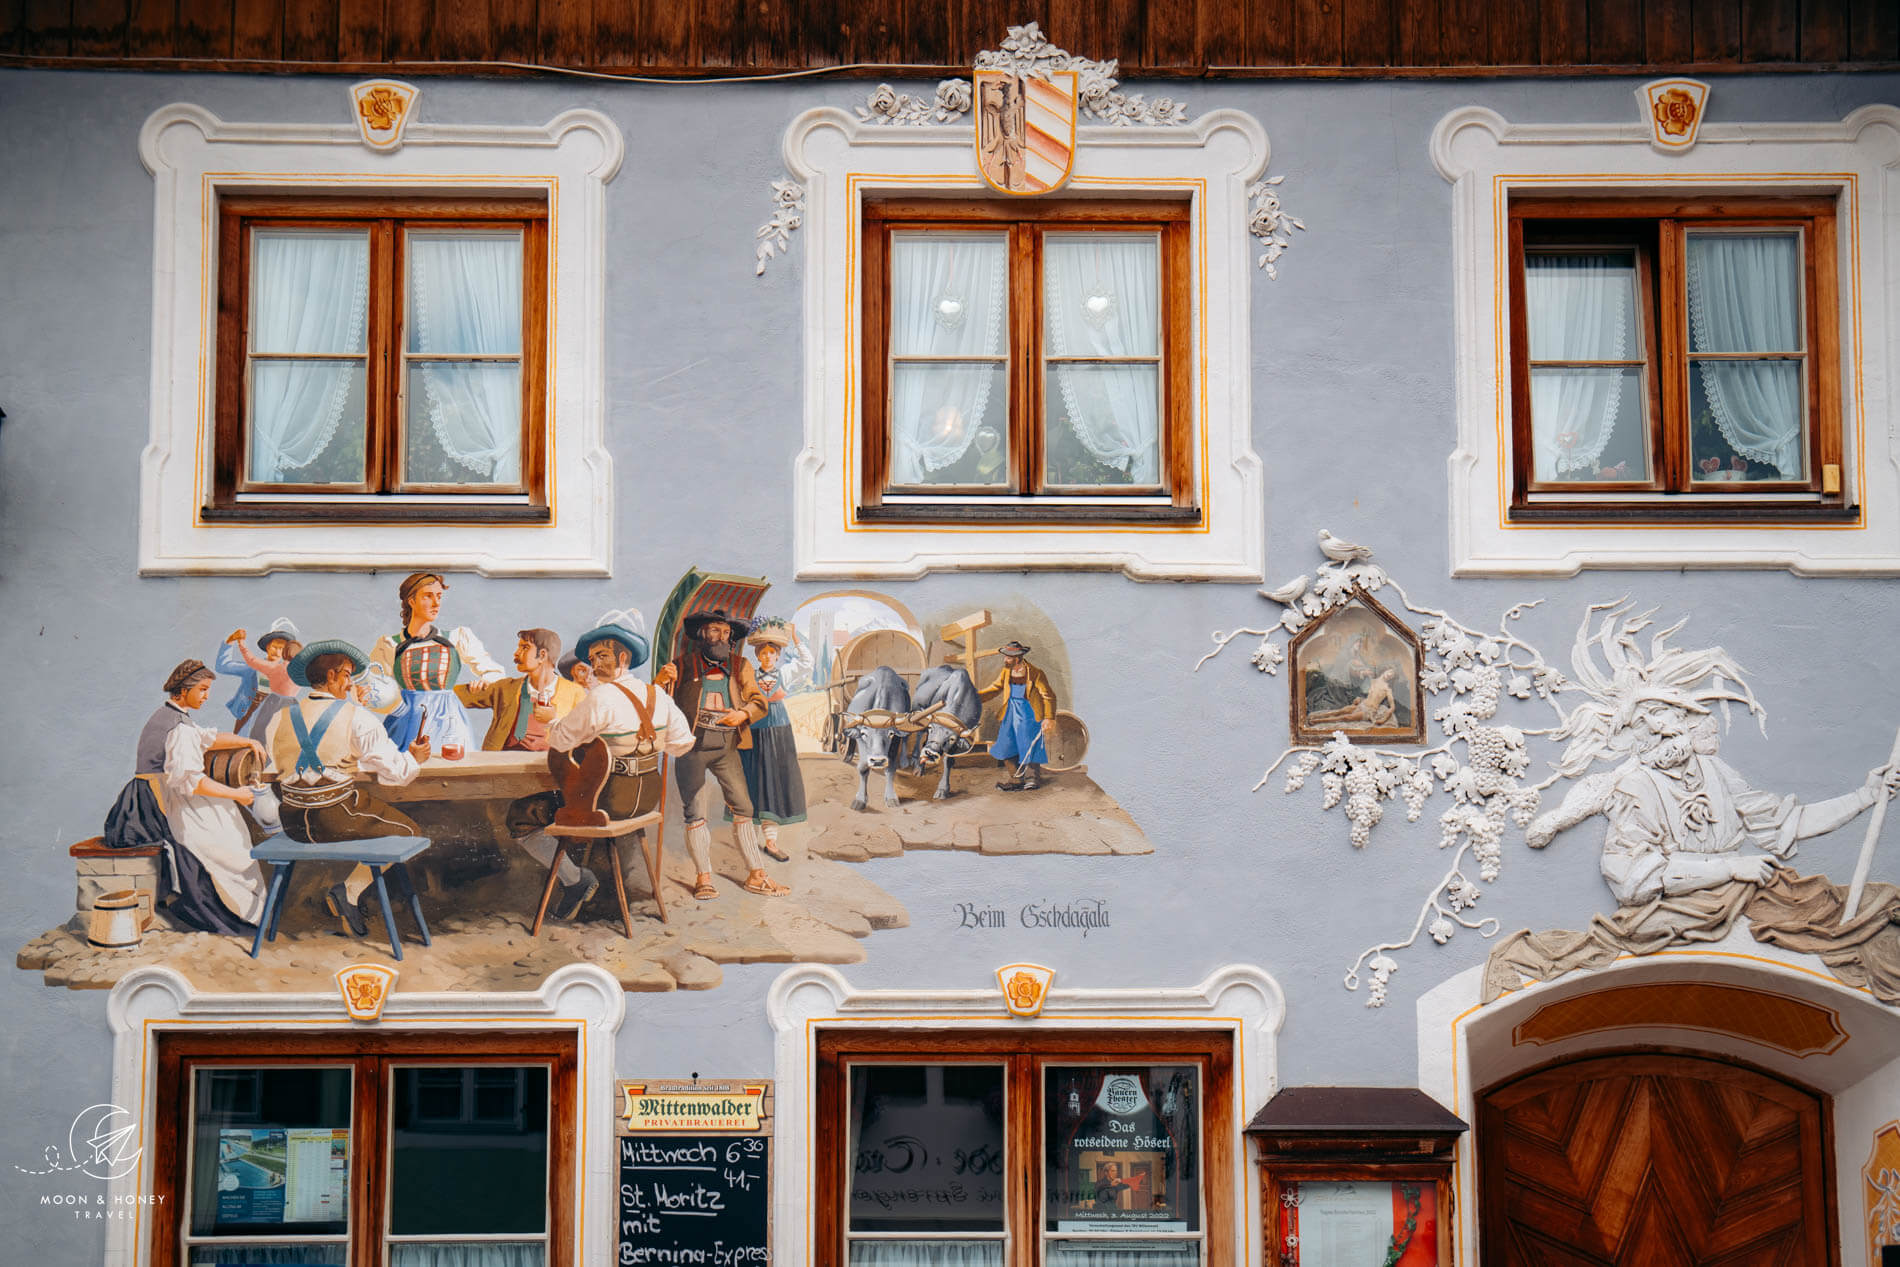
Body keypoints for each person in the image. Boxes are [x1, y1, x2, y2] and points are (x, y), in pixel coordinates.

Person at [507, 621, 694, 919]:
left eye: (602, 656)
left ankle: (576, 881)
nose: (594, 664)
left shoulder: (602, 697)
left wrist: (553, 719)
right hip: (646, 803)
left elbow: (558, 739)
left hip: (608, 805)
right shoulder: (660, 697)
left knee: (520, 814)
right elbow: (682, 745)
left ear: (623, 658)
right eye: (592, 658)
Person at [265, 640, 432, 936]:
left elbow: (280, 768)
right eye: (347, 675)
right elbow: (397, 773)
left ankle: (347, 895)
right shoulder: (358, 718)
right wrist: (413, 757)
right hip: (335, 819)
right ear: (332, 676)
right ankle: (349, 892)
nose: (351, 683)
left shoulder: (278, 719)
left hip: (292, 824)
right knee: (410, 831)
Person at [105, 660, 272, 935]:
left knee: (223, 815)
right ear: (183, 691)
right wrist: (237, 795)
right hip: (153, 805)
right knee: (224, 833)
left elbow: (206, 739)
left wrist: (246, 741)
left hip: (145, 795)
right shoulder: (178, 728)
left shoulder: (169, 716)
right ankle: (229, 914)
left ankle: (240, 908)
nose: (206, 696)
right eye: (203, 690)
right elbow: (190, 781)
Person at [654, 609, 791, 898]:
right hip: (691, 748)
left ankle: (756, 874)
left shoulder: (741, 665)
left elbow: (758, 701)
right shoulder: (681, 666)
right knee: (695, 812)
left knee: (744, 807)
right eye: (715, 631)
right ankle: (703, 877)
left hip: (728, 746)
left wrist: (742, 715)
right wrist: (659, 682)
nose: (722, 637)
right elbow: (657, 706)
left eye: (726, 633)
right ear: (702, 634)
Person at [369, 572, 505, 759]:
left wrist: (484, 681)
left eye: (439, 596)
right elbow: (376, 689)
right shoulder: (389, 645)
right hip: (406, 721)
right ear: (411, 600)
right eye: (428, 596)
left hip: (448, 721)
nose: (436, 603)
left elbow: (496, 672)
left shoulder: (457, 638)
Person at [733, 620, 807, 862]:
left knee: (774, 784)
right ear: (757, 656)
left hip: (777, 733)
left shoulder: (784, 673)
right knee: (754, 782)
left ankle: (772, 842)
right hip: (754, 732)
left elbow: (807, 663)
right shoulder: (750, 676)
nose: (767, 657)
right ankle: (749, 840)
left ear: (777, 656)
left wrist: (795, 637)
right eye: (763, 653)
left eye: (771, 653)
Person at [455, 628, 586, 752]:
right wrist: (475, 686)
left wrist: (554, 718)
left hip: (550, 765)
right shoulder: (505, 688)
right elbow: (450, 695)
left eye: (525, 647)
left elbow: (584, 737)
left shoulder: (575, 693)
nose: (516, 653)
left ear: (542, 655)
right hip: (502, 765)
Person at [978, 640, 1057, 791]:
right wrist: (976, 697)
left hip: (1029, 713)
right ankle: (1015, 779)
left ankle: (1033, 778)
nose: (1005, 660)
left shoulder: (1035, 673)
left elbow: (1048, 696)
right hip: (1010, 712)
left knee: (1029, 744)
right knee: (1006, 744)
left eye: (1008, 657)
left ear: (1018, 657)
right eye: (1005, 656)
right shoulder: (1006, 672)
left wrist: (1048, 717)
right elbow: (995, 688)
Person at [215, 618, 303, 742]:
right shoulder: (251, 668)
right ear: (267, 647)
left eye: (282, 648)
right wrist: (230, 641)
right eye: (274, 647)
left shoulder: (288, 674)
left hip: (274, 718)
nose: (277, 652)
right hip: (249, 715)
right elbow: (222, 666)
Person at [1308, 667, 1399, 727]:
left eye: (1392, 675)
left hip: (1369, 711)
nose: (1390, 675)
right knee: (1340, 711)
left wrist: (1383, 720)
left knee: (1345, 718)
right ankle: (1318, 717)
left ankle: (1318, 722)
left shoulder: (1387, 689)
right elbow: (1362, 692)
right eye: (1390, 672)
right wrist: (1359, 699)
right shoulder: (1372, 681)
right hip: (1361, 705)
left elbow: (1392, 707)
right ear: (1386, 670)